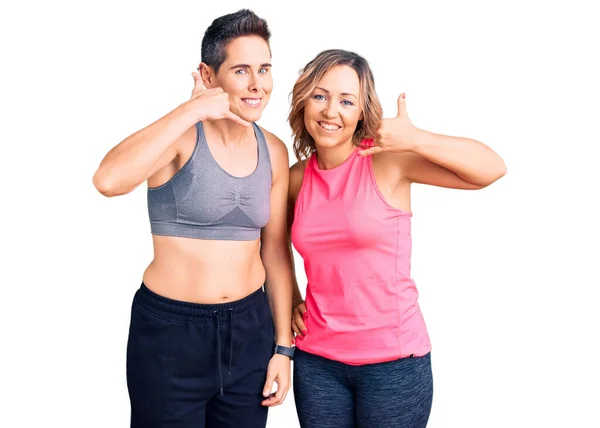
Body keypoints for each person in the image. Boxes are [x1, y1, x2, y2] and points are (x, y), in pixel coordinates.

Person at [92, 9, 294, 428]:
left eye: (264, 69)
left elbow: (275, 252)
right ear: (208, 74)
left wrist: (283, 347)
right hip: (171, 335)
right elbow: (108, 180)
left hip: (250, 332)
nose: (257, 84)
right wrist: (191, 110)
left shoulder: (274, 151)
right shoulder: (179, 138)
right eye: (241, 70)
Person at [287, 49, 506, 428]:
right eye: (320, 96)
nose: (330, 111)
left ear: (361, 111)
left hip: (394, 363)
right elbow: (271, 244)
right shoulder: (295, 177)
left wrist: (416, 138)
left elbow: (490, 169)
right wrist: (291, 296)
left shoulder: (386, 160)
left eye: (346, 100)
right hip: (317, 362)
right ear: (304, 101)